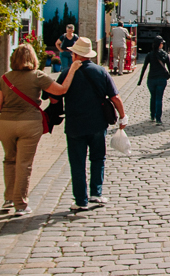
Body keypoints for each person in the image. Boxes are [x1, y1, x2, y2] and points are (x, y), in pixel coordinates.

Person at [0, 44, 80, 216]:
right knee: (24, 164)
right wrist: (73, 69)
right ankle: (20, 204)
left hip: (6, 124)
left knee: (9, 160)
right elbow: (61, 90)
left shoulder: (5, 78)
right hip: (29, 124)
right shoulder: (37, 76)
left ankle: (8, 198)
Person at [53, 36, 128, 211]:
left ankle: (81, 200)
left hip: (75, 124)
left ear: (75, 55)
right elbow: (115, 97)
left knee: (77, 162)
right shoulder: (101, 71)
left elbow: (55, 96)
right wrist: (123, 117)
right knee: (98, 158)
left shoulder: (66, 73)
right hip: (97, 123)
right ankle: (96, 193)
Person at [138, 36, 170, 125]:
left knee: (153, 97)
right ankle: (158, 118)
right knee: (159, 98)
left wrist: (140, 80)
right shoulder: (164, 54)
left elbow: (144, 67)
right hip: (161, 79)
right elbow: (169, 67)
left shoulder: (150, 55)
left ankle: (152, 115)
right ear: (160, 44)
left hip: (151, 79)